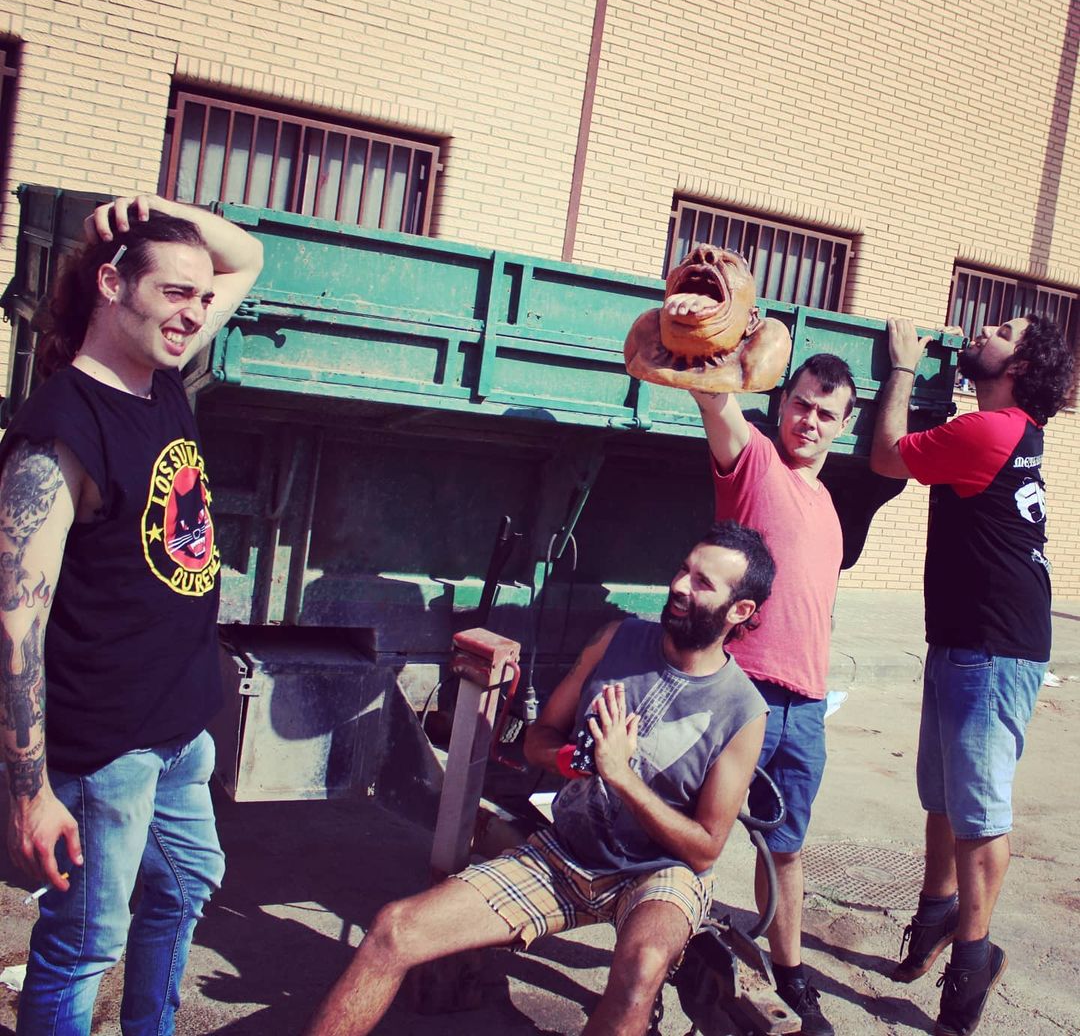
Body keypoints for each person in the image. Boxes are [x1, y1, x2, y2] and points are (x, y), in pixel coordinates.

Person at [305, 520, 774, 1036]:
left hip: (660, 872)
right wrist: (576, 760)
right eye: (683, 570)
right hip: (564, 852)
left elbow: (704, 849)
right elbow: (538, 739)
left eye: (703, 582)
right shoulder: (616, 640)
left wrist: (621, 776)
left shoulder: (742, 710)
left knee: (639, 976)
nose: (680, 586)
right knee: (393, 931)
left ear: (739, 611)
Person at [0, 193, 263, 1035]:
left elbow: (248, 257)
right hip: (104, 746)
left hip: (180, 730)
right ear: (113, 286)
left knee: (184, 887)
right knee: (84, 944)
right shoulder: (60, 431)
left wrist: (161, 210)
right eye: (173, 292)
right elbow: (15, 625)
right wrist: (30, 792)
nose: (193, 312)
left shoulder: (162, 380)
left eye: (200, 296)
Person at [870, 314, 1073, 1036]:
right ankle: (936, 912)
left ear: (1021, 366)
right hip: (966, 637)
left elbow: (886, 457)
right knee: (945, 797)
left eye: (1003, 329)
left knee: (979, 813)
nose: (983, 328)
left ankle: (974, 957)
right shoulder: (1007, 429)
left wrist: (902, 366)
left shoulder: (990, 430)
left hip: (992, 644)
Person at [691, 351, 857, 1036]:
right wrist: (713, 350)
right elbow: (715, 401)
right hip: (743, 692)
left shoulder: (829, 506)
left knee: (785, 848)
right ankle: (652, 959)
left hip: (806, 704)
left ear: (844, 425)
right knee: (692, 837)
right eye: (801, 405)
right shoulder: (756, 462)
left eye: (826, 414)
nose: (809, 421)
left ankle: (791, 976)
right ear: (783, 403)